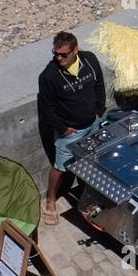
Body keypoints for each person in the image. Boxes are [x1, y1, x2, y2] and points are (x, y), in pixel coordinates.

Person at [36, 31, 106, 225]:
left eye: (63, 54)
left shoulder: (89, 60)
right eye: (55, 53)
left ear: (76, 50)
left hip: (93, 123)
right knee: (60, 167)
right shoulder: (49, 76)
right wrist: (63, 128)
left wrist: (99, 112)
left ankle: (90, 192)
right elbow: (47, 107)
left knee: (93, 159)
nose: (58, 58)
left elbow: (99, 85)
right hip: (70, 131)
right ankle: (51, 199)